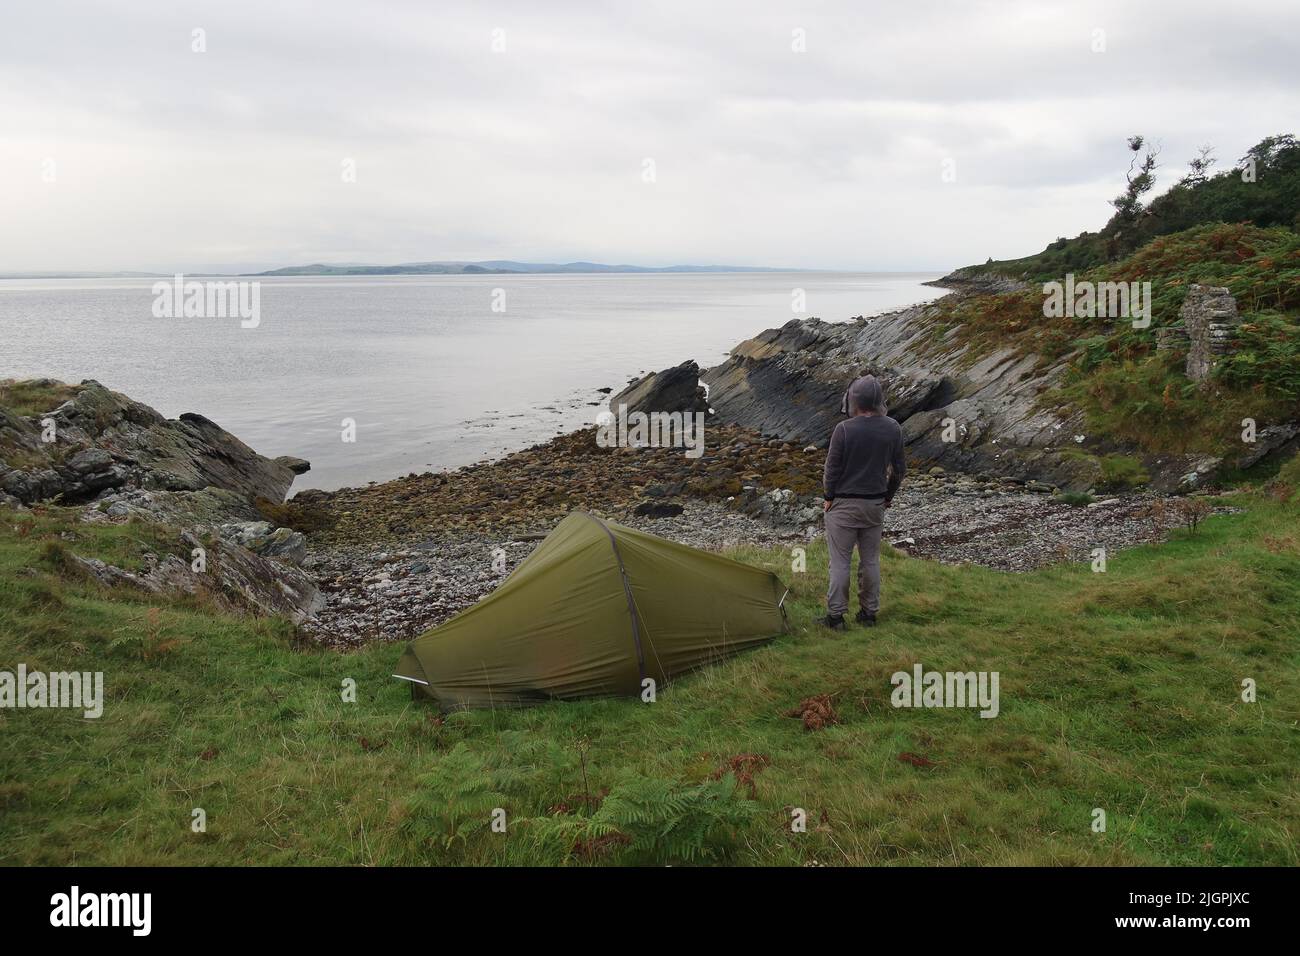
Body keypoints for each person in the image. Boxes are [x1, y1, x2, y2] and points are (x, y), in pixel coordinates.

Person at [821, 374, 905, 630]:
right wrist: (887, 497)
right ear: (879, 400)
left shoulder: (843, 429)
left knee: (840, 562)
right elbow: (899, 471)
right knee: (870, 561)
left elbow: (831, 470)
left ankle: (836, 618)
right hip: (874, 505)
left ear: (853, 401)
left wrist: (828, 497)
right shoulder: (893, 428)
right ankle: (869, 614)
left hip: (843, 505)